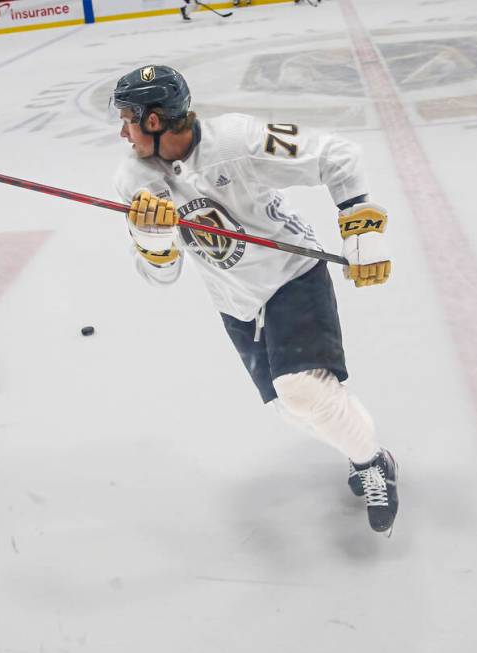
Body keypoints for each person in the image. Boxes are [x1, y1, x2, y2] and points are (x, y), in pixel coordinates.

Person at [110, 66, 399, 534]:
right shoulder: (134, 179)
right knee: (295, 407)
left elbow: (336, 154)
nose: (122, 131)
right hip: (237, 302)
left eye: (128, 118)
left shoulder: (238, 139)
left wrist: (359, 221)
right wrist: (153, 239)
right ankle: (363, 448)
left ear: (156, 120)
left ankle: (372, 463)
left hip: (292, 276)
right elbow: (161, 276)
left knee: (302, 390)